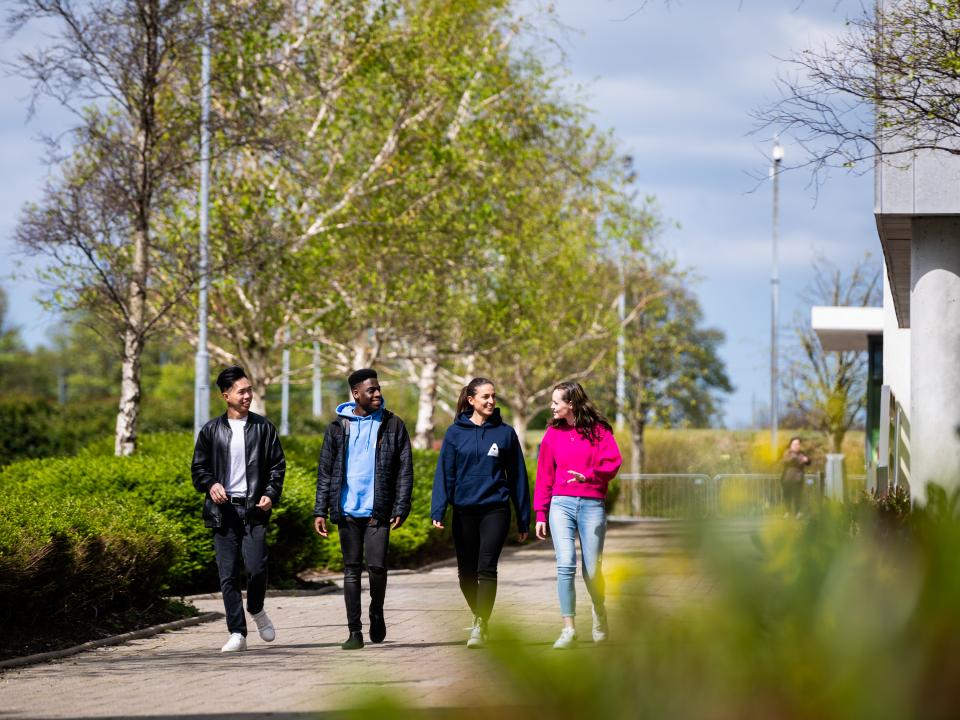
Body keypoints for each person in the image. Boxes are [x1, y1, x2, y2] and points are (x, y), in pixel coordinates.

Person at [314, 368, 414, 650]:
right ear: (356, 394)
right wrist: (320, 510)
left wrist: (401, 505)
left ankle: (376, 611)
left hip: (377, 510)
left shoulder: (394, 425)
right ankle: (354, 631)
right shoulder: (337, 428)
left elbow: (405, 470)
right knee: (351, 569)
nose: (378, 394)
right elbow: (325, 472)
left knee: (378, 567)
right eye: (371, 390)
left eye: (378, 388)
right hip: (346, 510)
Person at [191, 365, 285, 652]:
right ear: (225, 395)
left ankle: (256, 608)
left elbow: (277, 467)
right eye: (241, 391)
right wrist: (211, 485)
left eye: (249, 390)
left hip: (254, 510)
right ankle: (238, 633)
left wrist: (270, 493)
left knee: (257, 569)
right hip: (224, 512)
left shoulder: (264, 428)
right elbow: (198, 468)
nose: (248, 396)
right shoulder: (211, 431)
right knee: (228, 574)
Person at [431, 377, 530, 649]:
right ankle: (479, 615)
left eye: (493, 396)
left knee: (486, 568)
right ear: (471, 400)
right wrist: (438, 508)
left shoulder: (506, 433)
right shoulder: (454, 433)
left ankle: (480, 623)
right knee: (465, 574)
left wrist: (524, 518)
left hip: (495, 510)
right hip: (463, 512)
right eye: (485, 397)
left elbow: (518, 478)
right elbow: (445, 474)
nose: (491, 401)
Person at [534, 381, 622, 649]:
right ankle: (569, 629)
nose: (552, 406)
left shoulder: (600, 432)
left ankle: (598, 610)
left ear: (570, 404)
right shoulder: (552, 434)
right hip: (561, 504)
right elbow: (544, 475)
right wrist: (540, 512)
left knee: (592, 570)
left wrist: (590, 476)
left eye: (556, 402)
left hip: (592, 504)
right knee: (565, 565)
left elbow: (613, 462)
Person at [781, 436, 810, 518]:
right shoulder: (787, 452)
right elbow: (784, 461)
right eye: (794, 444)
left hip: (798, 478)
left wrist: (807, 460)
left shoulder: (802, 453)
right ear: (790, 445)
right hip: (787, 478)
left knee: (798, 496)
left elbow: (808, 461)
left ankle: (797, 512)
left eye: (798, 444)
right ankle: (787, 512)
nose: (796, 445)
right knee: (787, 496)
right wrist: (797, 459)